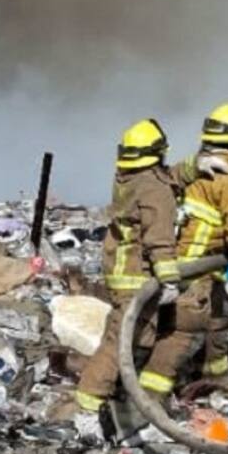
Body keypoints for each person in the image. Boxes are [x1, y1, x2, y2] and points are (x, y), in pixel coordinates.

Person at [140, 103, 228, 396]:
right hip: (192, 272)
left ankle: (214, 383)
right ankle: (145, 402)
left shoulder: (194, 168)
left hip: (192, 267)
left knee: (219, 317)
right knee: (181, 334)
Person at [75, 119, 187, 414]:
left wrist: (196, 165)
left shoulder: (128, 179)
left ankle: (116, 395)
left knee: (133, 336)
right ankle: (89, 404)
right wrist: (170, 280)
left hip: (120, 271)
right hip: (138, 277)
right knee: (119, 343)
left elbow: (168, 177)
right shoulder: (154, 190)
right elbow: (158, 238)